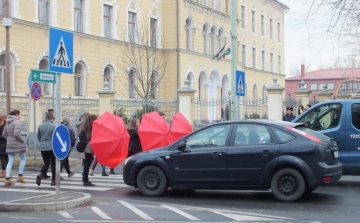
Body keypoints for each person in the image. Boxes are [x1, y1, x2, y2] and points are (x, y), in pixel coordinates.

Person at [2, 110, 27, 186]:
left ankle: (7, 179)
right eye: (19, 115)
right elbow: (16, 134)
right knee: (23, 158)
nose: (20, 116)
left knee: (10, 161)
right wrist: (22, 140)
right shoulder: (17, 122)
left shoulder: (7, 122)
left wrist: (9, 139)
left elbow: (4, 134)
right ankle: (20, 175)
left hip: (9, 144)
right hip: (18, 143)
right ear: (16, 114)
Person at [36, 111, 57, 186]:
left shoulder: (41, 125)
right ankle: (53, 180)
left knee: (46, 163)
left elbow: (38, 136)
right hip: (52, 147)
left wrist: (42, 142)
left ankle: (41, 174)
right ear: (53, 118)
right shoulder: (54, 126)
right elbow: (56, 137)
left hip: (43, 147)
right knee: (53, 164)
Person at [82, 114, 98, 186]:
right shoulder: (91, 128)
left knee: (86, 164)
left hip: (87, 147)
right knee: (87, 164)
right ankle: (85, 180)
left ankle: (84, 178)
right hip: (89, 148)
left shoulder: (86, 128)